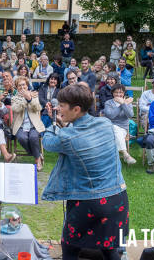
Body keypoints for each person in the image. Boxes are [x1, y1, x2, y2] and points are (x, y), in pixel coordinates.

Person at [42, 84, 128, 260]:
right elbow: (83, 133)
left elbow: (48, 142)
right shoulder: (105, 124)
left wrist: (53, 121)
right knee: (109, 247)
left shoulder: (68, 136)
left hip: (89, 202)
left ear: (76, 109)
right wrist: (65, 124)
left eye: (62, 105)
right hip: (117, 197)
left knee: (70, 247)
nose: (58, 108)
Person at [12, 76, 45, 171]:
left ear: (27, 85)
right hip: (21, 125)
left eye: (24, 85)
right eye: (19, 85)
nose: (22, 87)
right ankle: (38, 154)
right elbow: (15, 109)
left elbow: (38, 108)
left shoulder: (34, 96)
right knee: (22, 138)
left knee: (33, 137)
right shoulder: (14, 98)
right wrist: (26, 99)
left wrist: (30, 99)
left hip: (33, 125)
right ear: (17, 87)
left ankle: (37, 160)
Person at [104, 84, 137, 165]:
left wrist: (123, 104)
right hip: (109, 129)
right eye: (116, 92)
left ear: (124, 93)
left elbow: (130, 115)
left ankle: (118, 157)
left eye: (121, 92)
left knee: (116, 129)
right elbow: (111, 115)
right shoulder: (108, 103)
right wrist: (122, 105)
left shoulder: (127, 103)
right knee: (114, 128)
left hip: (123, 128)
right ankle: (126, 154)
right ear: (112, 93)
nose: (119, 94)